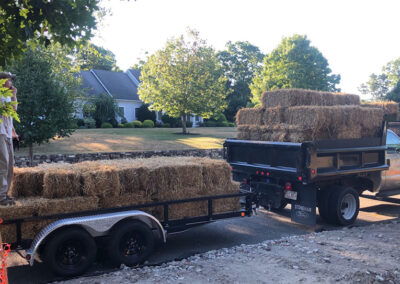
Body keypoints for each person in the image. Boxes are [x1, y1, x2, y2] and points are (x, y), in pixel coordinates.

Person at [0, 72, 18, 206]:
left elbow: (12, 113)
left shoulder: (7, 96)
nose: (11, 82)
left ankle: (5, 193)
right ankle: (1, 196)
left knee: (10, 163)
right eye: (10, 80)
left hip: (6, 133)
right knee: (3, 163)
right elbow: (11, 110)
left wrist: (13, 130)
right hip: (0, 133)